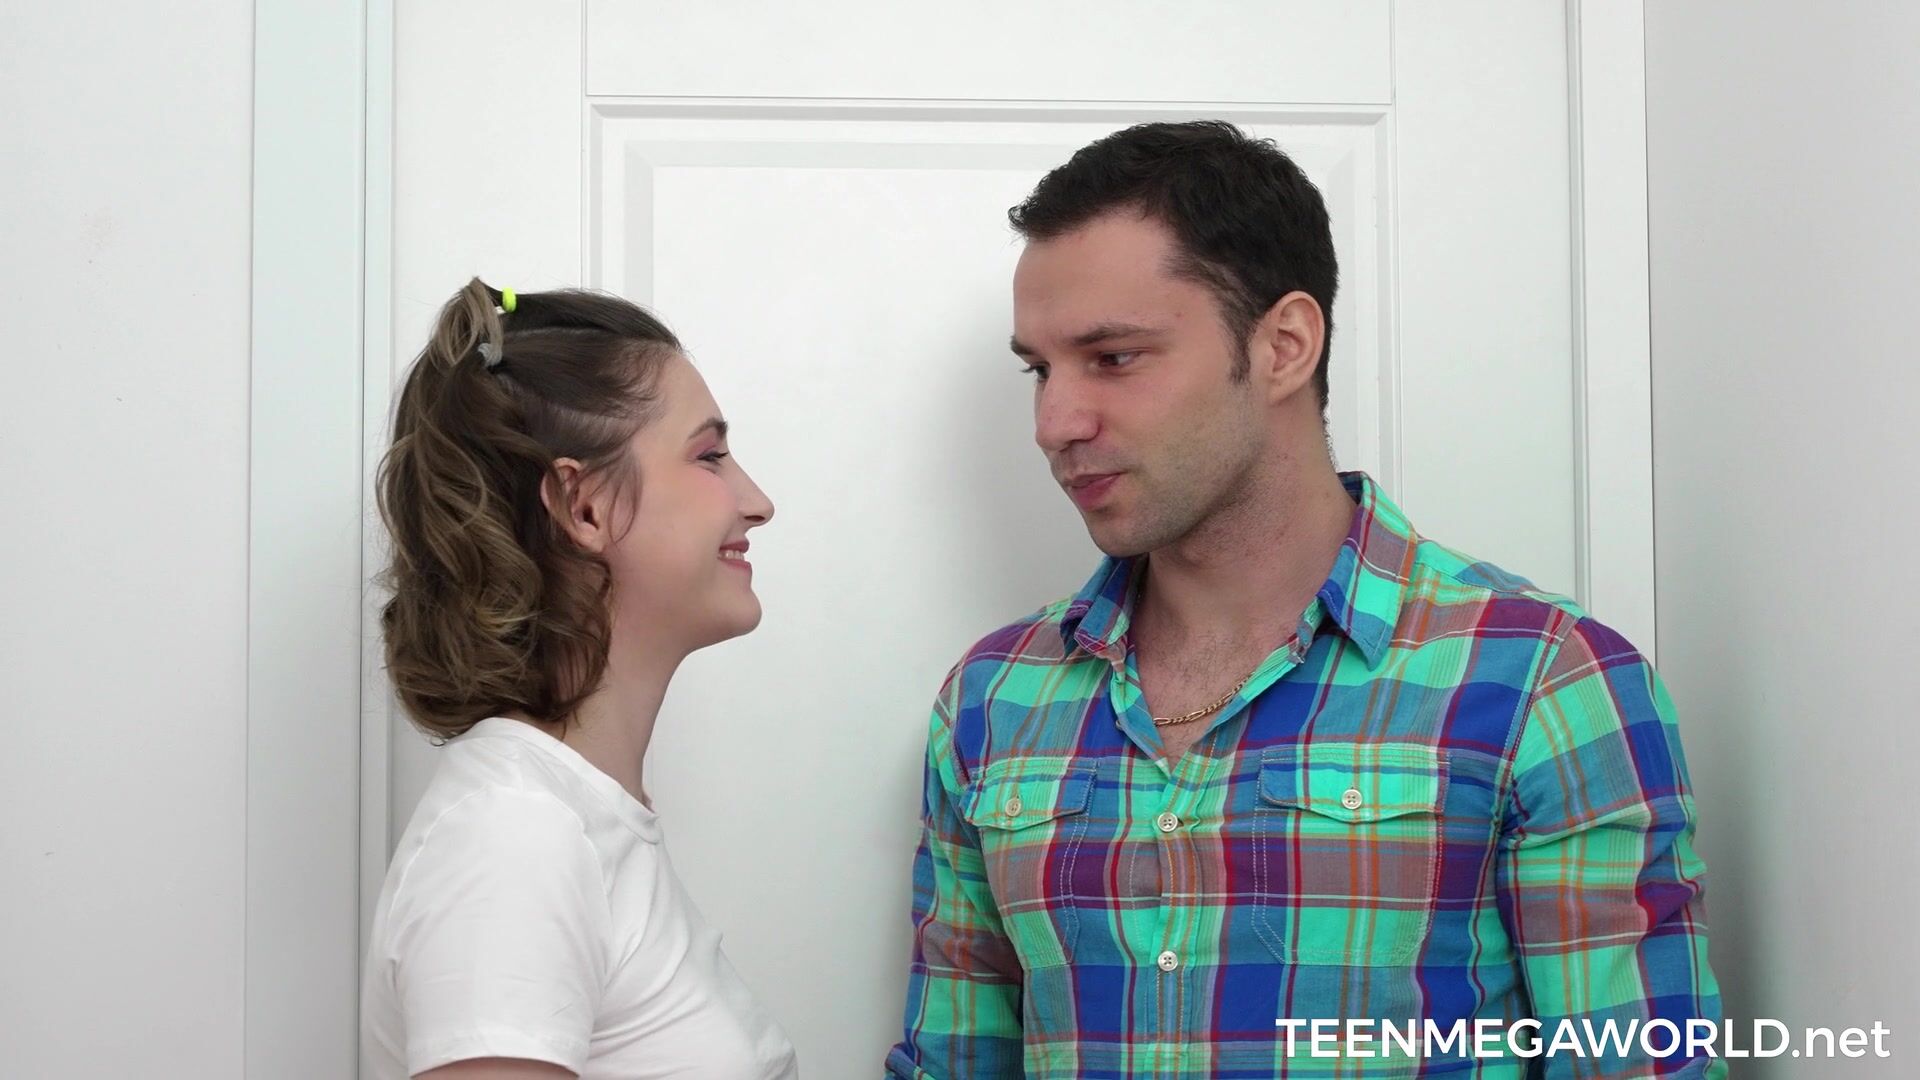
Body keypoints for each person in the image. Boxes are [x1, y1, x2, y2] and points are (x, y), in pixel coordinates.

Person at [885, 121, 1724, 1078]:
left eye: (1113, 357)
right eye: (1040, 369)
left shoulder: (1546, 685)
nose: (1054, 422)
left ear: (1284, 345)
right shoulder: (995, 697)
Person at [360, 280, 798, 1079]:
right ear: (583, 507)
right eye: (709, 455)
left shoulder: (566, 821)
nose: (757, 502)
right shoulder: (513, 838)